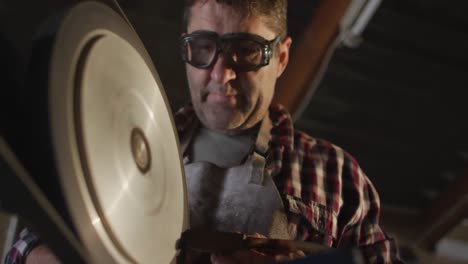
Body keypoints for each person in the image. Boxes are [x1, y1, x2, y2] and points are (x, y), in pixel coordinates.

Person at [6, 0, 403, 263]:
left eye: (246, 51)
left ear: (281, 58)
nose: (220, 73)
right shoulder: (109, 136)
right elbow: (22, 250)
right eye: (201, 47)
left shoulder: (338, 175)